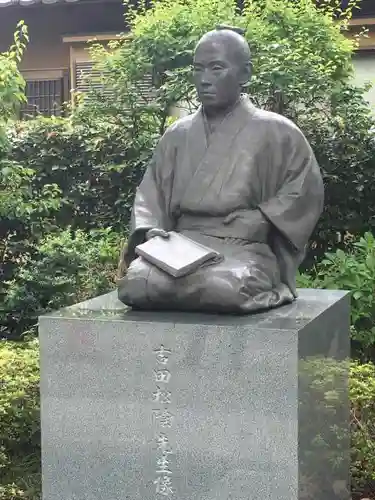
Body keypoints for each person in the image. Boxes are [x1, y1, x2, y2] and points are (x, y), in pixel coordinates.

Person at [117, 26, 324, 314]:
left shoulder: (278, 131)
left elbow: (303, 190)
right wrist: (152, 230)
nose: (204, 80)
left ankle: (259, 284)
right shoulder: (178, 134)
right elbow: (151, 192)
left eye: (217, 68)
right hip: (179, 246)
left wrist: (263, 217)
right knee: (135, 283)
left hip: (242, 246)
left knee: (225, 288)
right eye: (198, 69)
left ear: (245, 74)